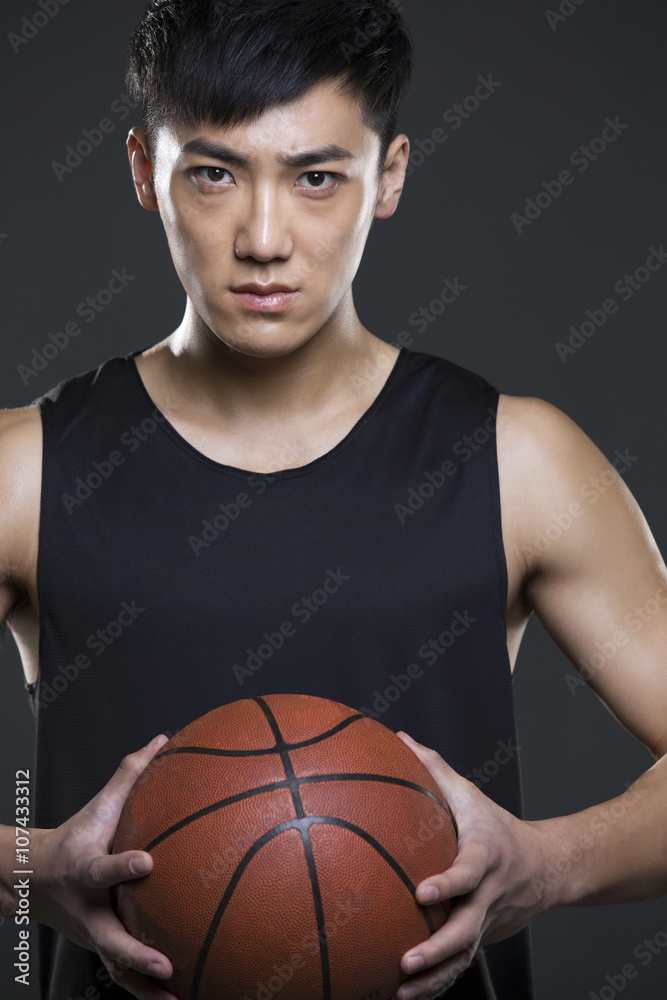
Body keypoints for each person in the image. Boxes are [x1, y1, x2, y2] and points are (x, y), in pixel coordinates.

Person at [1, 1, 666, 999]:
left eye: (317, 177)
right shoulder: (24, 469)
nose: (264, 238)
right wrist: (27, 869)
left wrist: (546, 864)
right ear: (145, 170)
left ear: (388, 175)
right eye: (215, 172)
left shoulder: (516, 458)